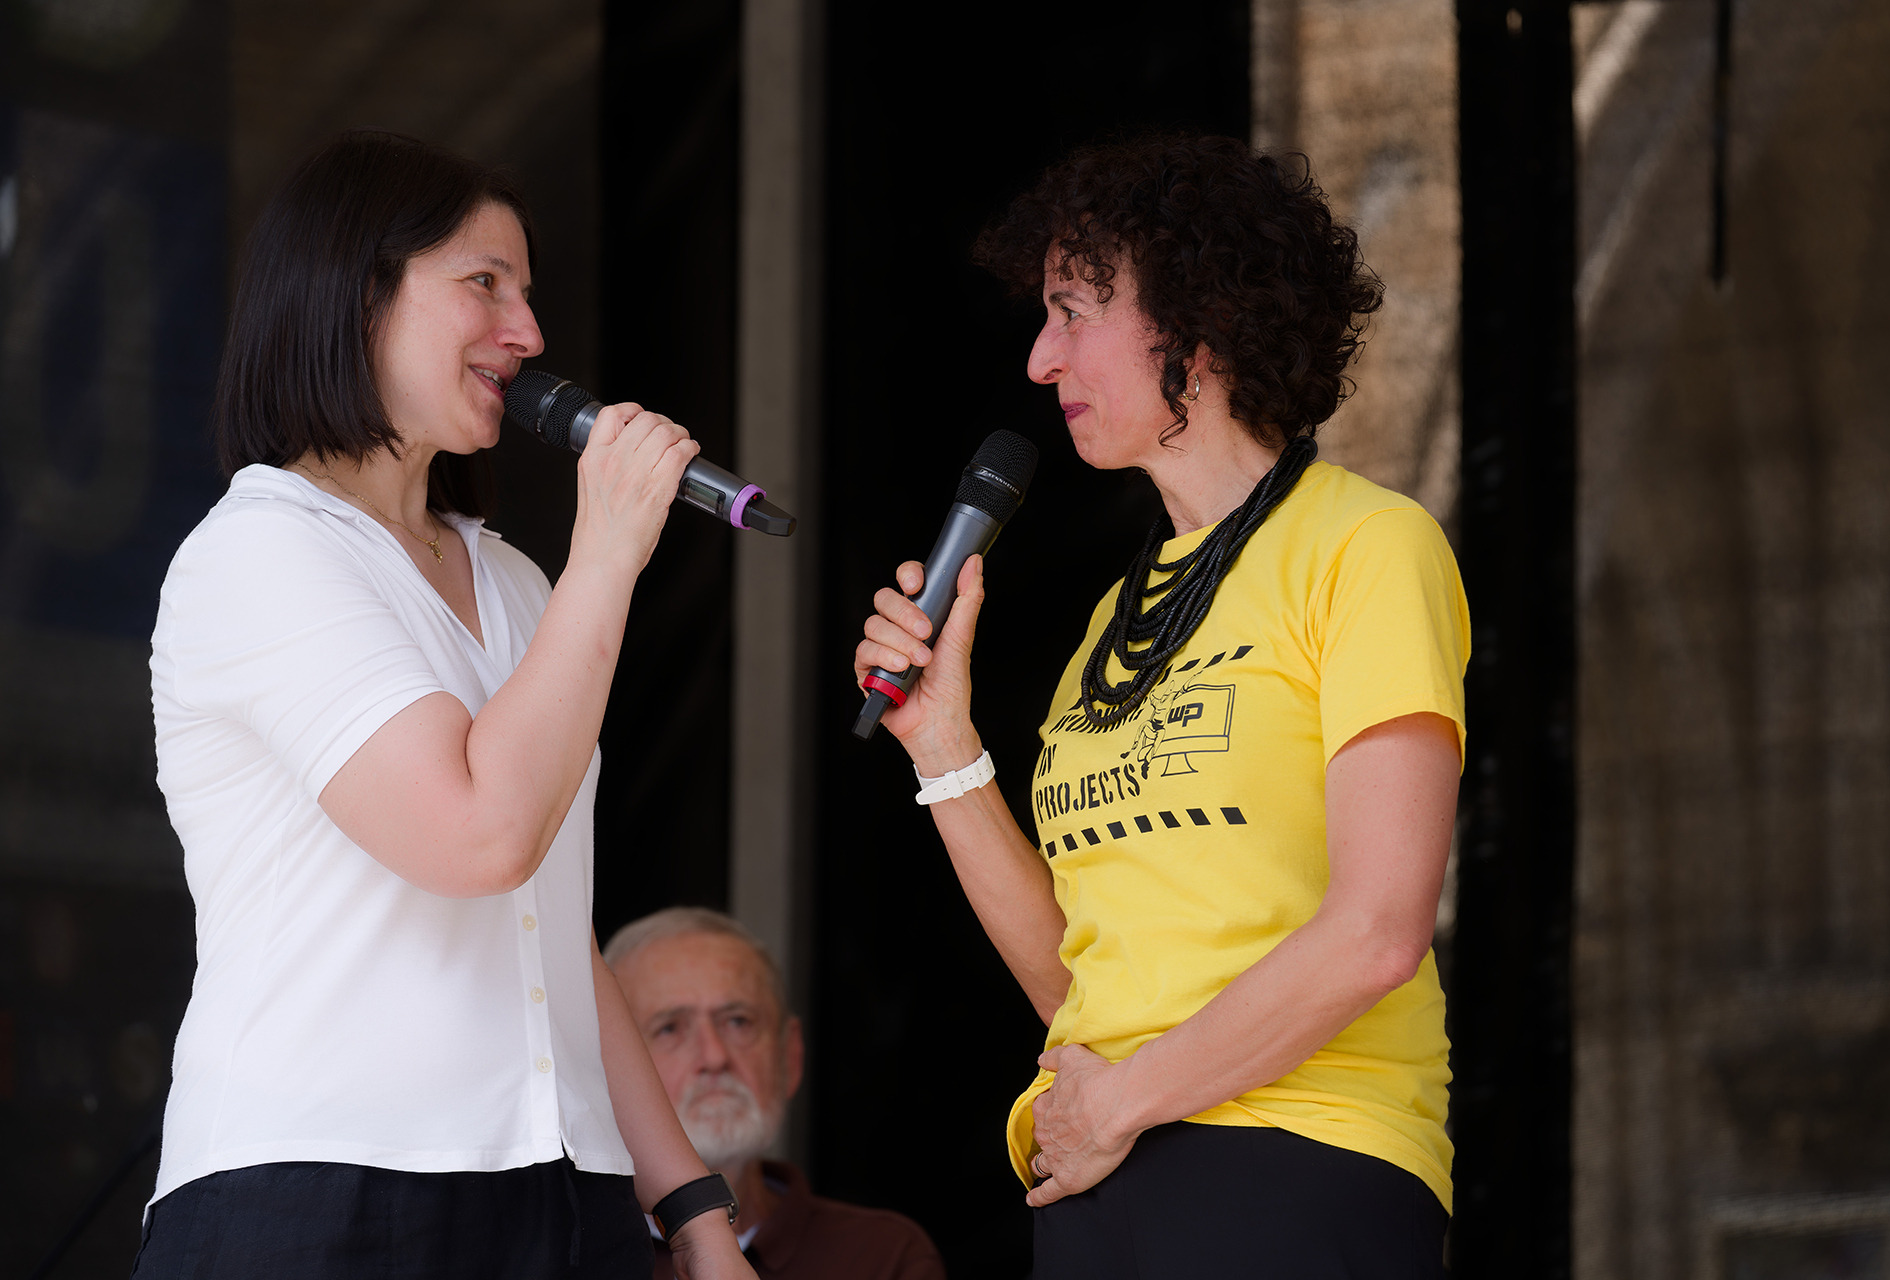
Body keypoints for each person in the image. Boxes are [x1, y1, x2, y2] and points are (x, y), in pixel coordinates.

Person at [139, 130, 752, 1280]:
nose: (528, 332)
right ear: (356, 291)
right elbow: (478, 835)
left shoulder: (517, 581)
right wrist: (608, 553)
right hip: (323, 1182)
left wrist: (697, 1214)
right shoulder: (259, 550)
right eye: (484, 283)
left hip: (565, 1188)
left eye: (528, 291)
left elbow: (551, 934)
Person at [852, 134, 1468, 1278]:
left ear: (1199, 320)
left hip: (1302, 1151)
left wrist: (1126, 1096)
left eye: (1072, 311)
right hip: (1101, 1164)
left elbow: (1378, 932)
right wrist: (941, 742)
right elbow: (1083, 982)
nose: (1040, 358)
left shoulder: (1367, 545)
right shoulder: (1111, 624)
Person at [603, 909, 945, 1280]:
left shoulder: (882, 1256)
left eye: (738, 1022)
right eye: (670, 1028)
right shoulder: (574, 1253)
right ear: (603, 1065)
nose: (714, 1057)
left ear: (790, 1054)